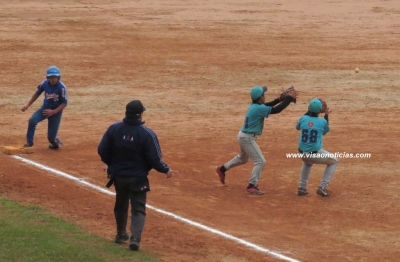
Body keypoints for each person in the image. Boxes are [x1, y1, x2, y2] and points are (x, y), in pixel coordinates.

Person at [98, 100, 178, 251]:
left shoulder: (114, 129)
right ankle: (135, 238)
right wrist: (165, 169)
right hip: (138, 178)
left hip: (119, 177)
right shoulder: (147, 134)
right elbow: (154, 159)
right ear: (140, 115)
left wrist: (111, 165)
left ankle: (121, 234)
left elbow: (102, 150)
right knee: (138, 208)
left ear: (126, 113)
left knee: (121, 204)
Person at [215, 85, 298, 195]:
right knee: (260, 161)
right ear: (260, 97)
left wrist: (279, 99)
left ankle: (222, 169)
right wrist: (288, 98)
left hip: (243, 135)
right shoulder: (259, 108)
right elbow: (276, 110)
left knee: (243, 159)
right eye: (263, 94)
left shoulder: (254, 106)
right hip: (247, 138)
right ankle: (251, 186)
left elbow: (267, 105)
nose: (265, 95)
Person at [296, 98, 338, 197]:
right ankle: (322, 187)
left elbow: (297, 127)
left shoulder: (303, 118)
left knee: (307, 163)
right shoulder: (322, 121)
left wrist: (311, 110)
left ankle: (302, 187)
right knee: (334, 161)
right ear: (320, 110)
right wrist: (326, 115)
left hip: (302, 153)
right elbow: (325, 131)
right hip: (315, 154)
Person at [21, 66, 67, 149]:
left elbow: (64, 103)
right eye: (51, 77)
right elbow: (37, 94)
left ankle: (55, 142)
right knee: (32, 120)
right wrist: (28, 105)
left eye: (55, 77)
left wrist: (53, 112)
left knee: (51, 139)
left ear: (58, 77)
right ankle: (29, 142)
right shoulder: (44, 84)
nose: (53, 79)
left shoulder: (62, 88)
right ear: (47, 77)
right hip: (45, 109)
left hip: (56, 112)